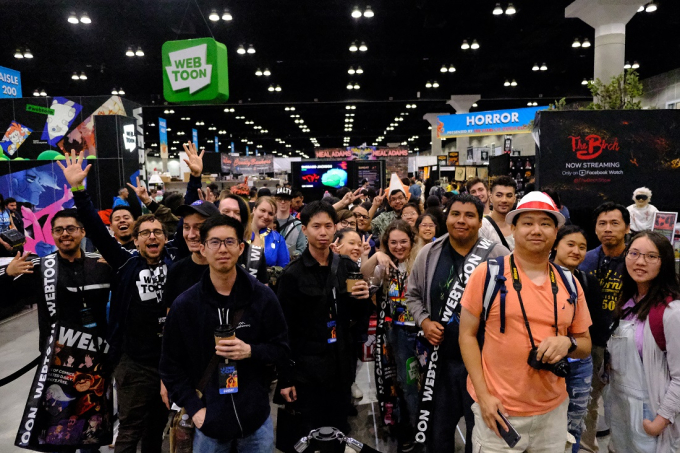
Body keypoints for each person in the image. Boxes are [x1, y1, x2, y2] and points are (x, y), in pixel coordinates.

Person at [59, 151, 175, 453]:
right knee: (130, 429)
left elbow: (188, 224)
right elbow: (97, 230)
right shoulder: (124, 263)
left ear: (165, 238)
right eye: (145, 232)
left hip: (169, 363)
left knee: (156, 429)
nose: (152, 236)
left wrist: (196, 180)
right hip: (134, 364)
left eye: (157, 232)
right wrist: (79, 191)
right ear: (136, 241)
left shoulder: (177, 264)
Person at [459, 191, 592, 452]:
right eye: (528, 222)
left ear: (556, 232)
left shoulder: (569, 282)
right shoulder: (488, 274)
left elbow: (585, 344)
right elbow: (466, 335)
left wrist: (568, 343)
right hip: (499, 412)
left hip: (552, 413)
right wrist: (484, 397)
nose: (536, 230)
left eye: (545, 224)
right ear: (514, 228)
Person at [160, 215, 289, 453]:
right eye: (215, 242)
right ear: (203, 248)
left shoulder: (262, 297)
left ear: (241, 248)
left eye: (230, 242)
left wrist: (251, 351)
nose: (223, 249)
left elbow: (282, 350)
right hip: (208, 423)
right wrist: (195, 409)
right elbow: (170, 366)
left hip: (255, 421)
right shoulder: (186, 304)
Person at [405, 194, 510, 452]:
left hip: (484, 365)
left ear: (480, 219)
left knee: (483, 435)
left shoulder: (499, 255)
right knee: (438, 433)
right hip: (440, 362)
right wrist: (425, 321)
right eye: (455, 214)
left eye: (469, 215)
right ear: (446, 217)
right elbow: (413, 294)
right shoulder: (429, 254)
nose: (461, 221)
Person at [277, 201, 371, 448]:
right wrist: (286, 378)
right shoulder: (292, 275)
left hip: (340, 366)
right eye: (316, 226)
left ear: (335, 228)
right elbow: (283, 332)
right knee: (308, 437)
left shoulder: (347, 267)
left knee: (338, 434)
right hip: (307, 370)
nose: (322, 232)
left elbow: (359, 317)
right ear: (305, 229)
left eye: (328, 226)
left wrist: (363, 298)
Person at [606, 231, 680, 452]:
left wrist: (660, 421)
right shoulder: (628, 303)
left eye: (651, 256)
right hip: (620, 410)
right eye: (634, 253)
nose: (640, 262)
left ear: (664, 262)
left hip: (651, 413)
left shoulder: (671, 312)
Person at [0, 209, 112, 353]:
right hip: (56, 357)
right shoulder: (41, 268)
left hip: (99, 353)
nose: (65, 234)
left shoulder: (102, 264)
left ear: (83, 232)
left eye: (71, 229)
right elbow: (6, 300)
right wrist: (8, 275)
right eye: (59, 230)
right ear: (52, 234)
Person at [360, 220, 421, 451]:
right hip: (393, 333)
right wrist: (376, 256)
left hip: (420, 332)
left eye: (403, 241)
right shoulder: (384, 263)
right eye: (393, 242)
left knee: (415, 384)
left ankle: (419, 430)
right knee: (399, 384)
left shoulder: (420, 261)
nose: (398, 246)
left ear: (411, 241)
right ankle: (407, 427)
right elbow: (362, 278)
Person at [578, 201, 630, 453]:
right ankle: (588, 447)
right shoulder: (584, 260)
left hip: (628, 342)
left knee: (626, 401)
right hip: (592, 341)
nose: (608, 229)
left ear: (627, 227)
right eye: (602, 224)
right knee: (587, 401)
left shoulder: (636, 259)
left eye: (614, 223)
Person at [550, 225, 607, 452]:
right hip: (550, 359)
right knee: (549, 420)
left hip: (581, 360)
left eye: (582, 247)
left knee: (575, 423)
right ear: (556, 245)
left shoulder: (587, 280)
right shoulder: (541, 276)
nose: (576, 251)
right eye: (570, 244)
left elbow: (597, 323)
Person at [162, 200, 221, 313]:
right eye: (186, 227)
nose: (191, 235)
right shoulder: (176, 271)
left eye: (198, 227)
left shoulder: (228, 269)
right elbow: (171, 321)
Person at [218, 193, 268, 284]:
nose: (232, 216)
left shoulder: (255, 254)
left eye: (237, 213)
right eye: (226, 211)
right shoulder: (207, 250)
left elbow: (265, 294)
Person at [249, 197, 289, 268]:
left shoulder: (278, 239)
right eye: (262, 211)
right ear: (254, 210)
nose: (266, 216)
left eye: (270, 213)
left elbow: (284, 269)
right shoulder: (239, 233)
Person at [478, 176, 517, 250]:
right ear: (491, 198)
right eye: (499, 195)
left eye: (509, 196)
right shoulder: (483, 226)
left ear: (514, 199)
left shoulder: (519, 225)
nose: (504, 200)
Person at [274, 187, 307, 258]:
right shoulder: (268, 222)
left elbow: (302, 249)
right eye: (279, 199)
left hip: (290, 266)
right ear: (275, 201)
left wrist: (287, 255)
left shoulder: (298, 225)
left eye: (286, 199)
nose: (283, 202)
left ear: (291, 202)